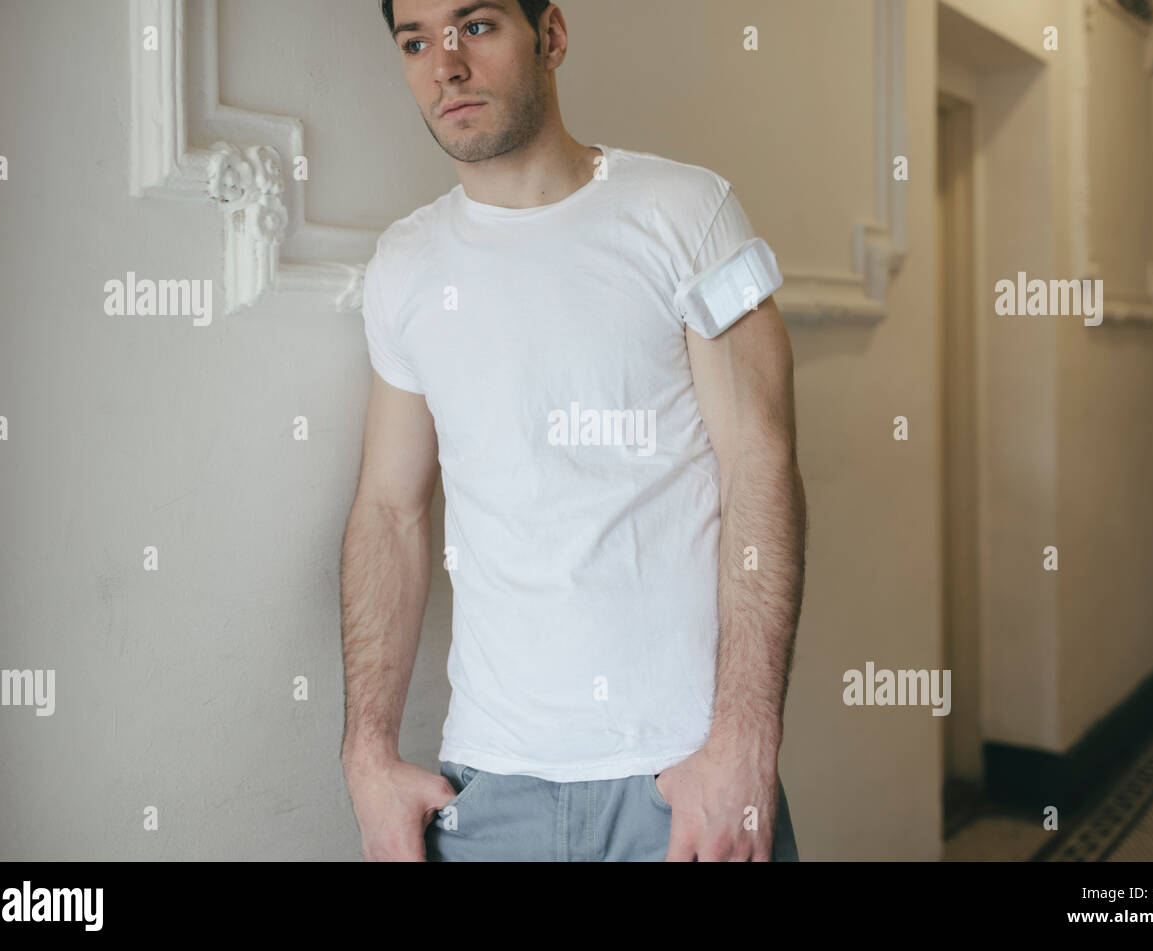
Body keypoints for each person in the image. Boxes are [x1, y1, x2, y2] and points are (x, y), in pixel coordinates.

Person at [340, 0, 806, 861]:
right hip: (486, 789)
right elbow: (388, 510)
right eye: (415, 40)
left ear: (550, 36)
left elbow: (760, 462)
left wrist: (745, 743)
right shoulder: (404, 266)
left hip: (680, 783)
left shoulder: (688, 212)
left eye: (475, 26)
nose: (444, 63)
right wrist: (367, 756)